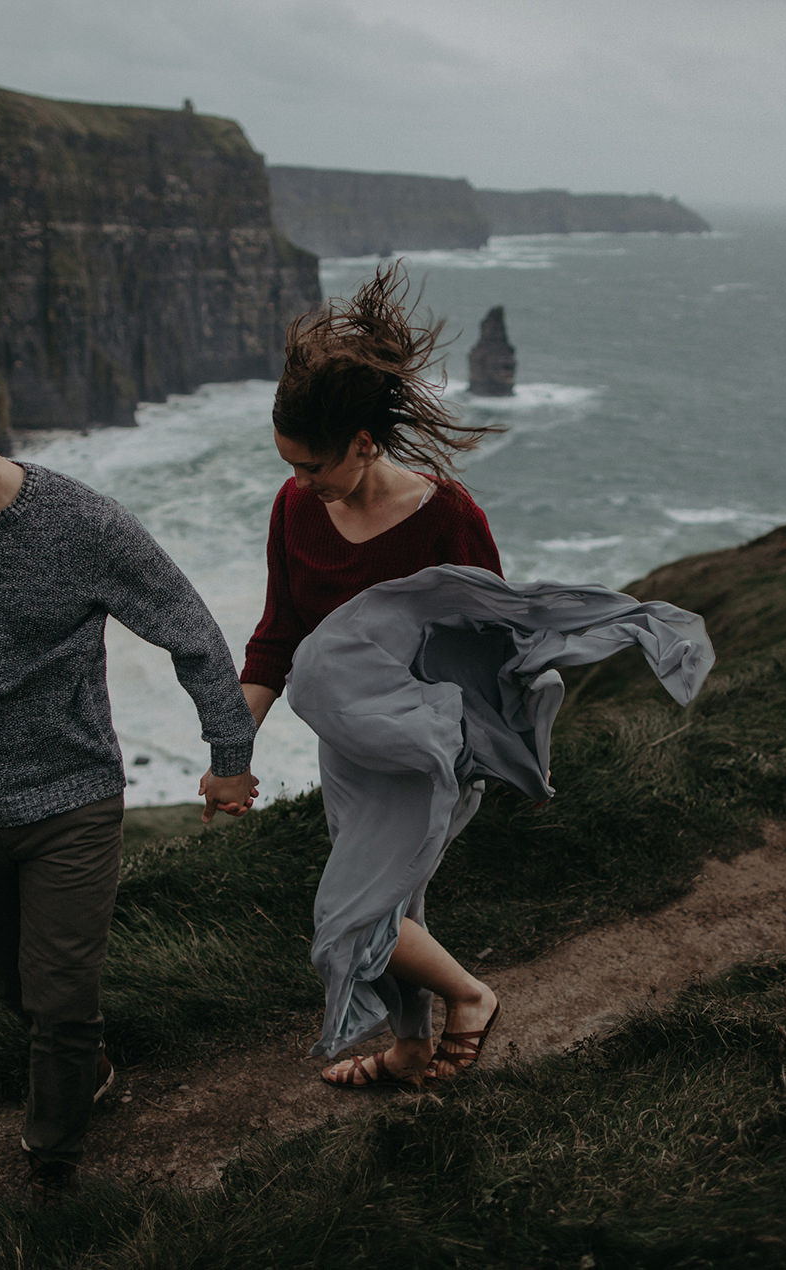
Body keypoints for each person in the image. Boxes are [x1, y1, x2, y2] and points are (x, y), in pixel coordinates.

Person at [0, 349, 259, 1184]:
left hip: (72, 798)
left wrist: (228, 757)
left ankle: (52, 1168)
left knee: (61, 998)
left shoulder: (83, 526)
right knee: (19, 988)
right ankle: (89, 1071)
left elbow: (191, 631)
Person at [240, 264, 508, 1088]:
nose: (300, 483)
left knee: (355, 916)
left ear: (363, 443)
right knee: (399, 904)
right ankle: (411, 1050)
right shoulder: (295, 510)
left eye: (312, 465)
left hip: (431, 752)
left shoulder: (449, 519)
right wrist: (229, 748)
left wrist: (491, 750)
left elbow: (492, 646)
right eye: (288, 464)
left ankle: (471, 996)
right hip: (348, 751)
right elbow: (279, 632)